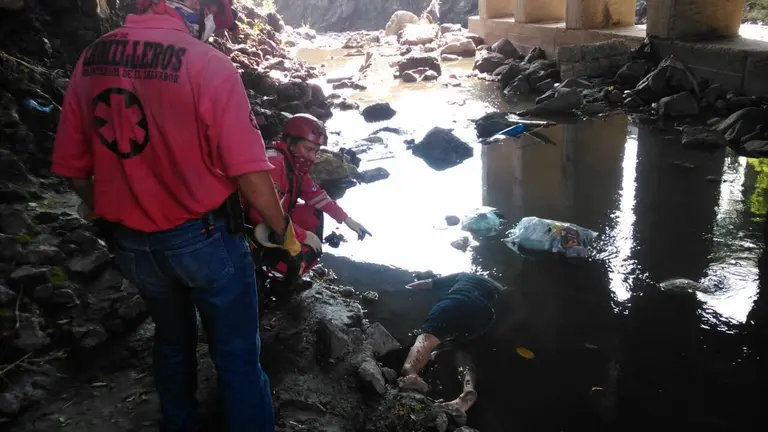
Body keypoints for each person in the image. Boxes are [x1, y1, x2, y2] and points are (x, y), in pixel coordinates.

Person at [51, 1, 300, 430]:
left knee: (171, 341)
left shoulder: (92, 57)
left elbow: (74, 170)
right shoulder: (208, 65)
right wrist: (284, 234)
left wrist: (109, 213)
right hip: (205, 240)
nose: (212, 27)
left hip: (132, 244)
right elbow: (250, 175)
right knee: (237, 354)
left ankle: (179, 422)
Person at [248, 113, 371, 281]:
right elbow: (260, 213)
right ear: (290, 142)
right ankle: (275, 276)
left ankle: (287, 270)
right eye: (308, 149)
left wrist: (346, 219)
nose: (312, 158)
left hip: (273, 221)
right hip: (254, 230)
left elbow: (315, 195)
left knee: (313, 215)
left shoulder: (291, 163)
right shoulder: (275, 165)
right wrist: (303, 236)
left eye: (316, 151)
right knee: (309, 247)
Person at [398, 272, 504, 413]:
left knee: (429, 336)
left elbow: (425, 284)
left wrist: (403, 288)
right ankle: (468, 391)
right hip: (485, 314)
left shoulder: (463, 275)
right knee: (462, 350)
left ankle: (412, 373)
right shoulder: (496, 286)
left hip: (458, 299)